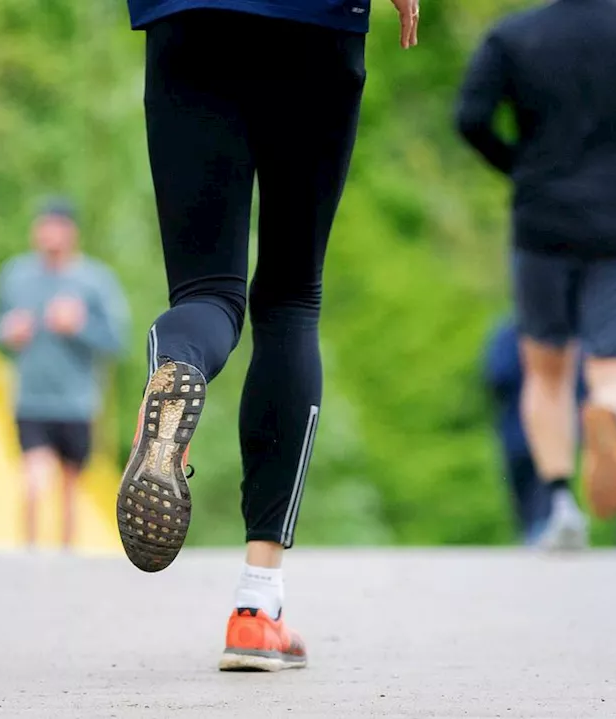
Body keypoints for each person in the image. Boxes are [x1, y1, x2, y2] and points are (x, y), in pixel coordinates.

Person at [118, 0, 419, 672]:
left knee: (205, 295)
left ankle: (177, 367)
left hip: (190, 19)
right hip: (315, 23)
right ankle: (258, 606)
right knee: (289, 298)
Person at [455, 0, 616, 550]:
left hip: (540, 224)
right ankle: (608, 409)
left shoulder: (512, 36)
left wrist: (520, 168)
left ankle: (561, 506)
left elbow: (470, 118)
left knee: (546, 371)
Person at [0, 197, 130, 550]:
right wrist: (9, 330)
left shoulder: (95, 281)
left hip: (77, 403)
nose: (48, 234)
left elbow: (117, 340)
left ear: (71, 232)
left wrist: (79, 325)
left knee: (69, 487)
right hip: (31, 398)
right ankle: (30, 552)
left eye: (55, 227)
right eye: (42, 226)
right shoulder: (15, 275)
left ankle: (66, 560)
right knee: (34, 478)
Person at [483, 317, 583, 544]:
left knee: (526, 494)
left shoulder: (508, 333)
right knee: (552, 489)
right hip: (557, 435)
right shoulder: (568, 338)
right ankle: (545, 531)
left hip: (516, 433)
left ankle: (535, 536)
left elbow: (496, 376)